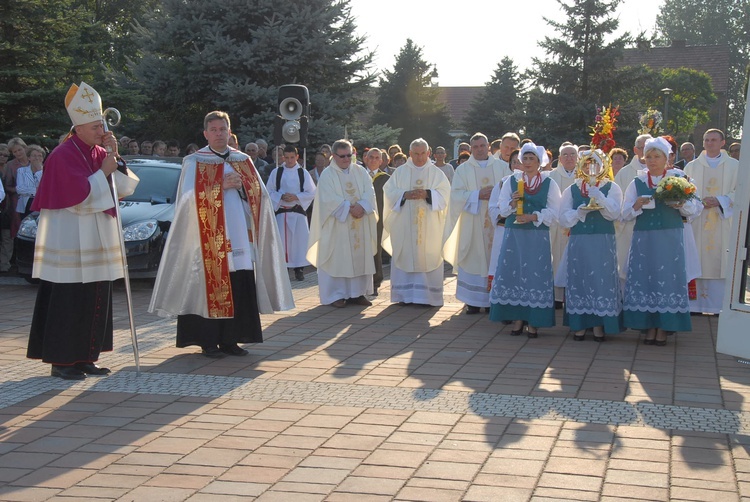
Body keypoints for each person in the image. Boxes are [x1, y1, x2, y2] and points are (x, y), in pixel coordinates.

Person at [150, 110, 294, 357]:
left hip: (238, 234)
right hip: (207, 242)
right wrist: (218, 185)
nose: (218, 134)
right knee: (209, 285)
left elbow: (261, 197)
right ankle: (208, 341)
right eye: (214, 130)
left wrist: (246, 189)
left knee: (238, 282)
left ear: (230, 131)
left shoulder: (242, 160)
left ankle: (232, 339)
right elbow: (185, 200)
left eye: (223, 129)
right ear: (206, 133)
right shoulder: (194, 161)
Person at [27, 82, 140, 380]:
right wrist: (103, 170)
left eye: (101, 125)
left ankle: (86, 357)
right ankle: (62, 360)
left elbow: (124, 189)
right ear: (77, 128)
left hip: (96, 237)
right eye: (94, 126)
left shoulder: (99, 151)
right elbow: (77, 196)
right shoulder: (63, 155)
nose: (100, 130)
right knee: (70, 298)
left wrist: (114, 156)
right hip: (70, 238)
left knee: (95, 296)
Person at [622, 137, 701, 345]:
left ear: (667, 159)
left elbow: (695, 207)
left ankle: (665, 327)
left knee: (667, 278)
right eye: (648, 156)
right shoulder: (637, 182)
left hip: (670, 237)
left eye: (657, 156)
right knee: (646, 277)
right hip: (644, 237)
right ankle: (648, 325)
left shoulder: (679, 179)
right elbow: (624, 213)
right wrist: (637, 205)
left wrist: (680, 204)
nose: (652, 160)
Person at [489, 143, 561, 338]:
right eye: (525, 158)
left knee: (534, 275)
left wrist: (533, 217)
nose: (528, 162)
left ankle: (534, 320)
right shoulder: (511, 181)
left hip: (536, 235)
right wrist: (512, 202)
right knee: (515, 272)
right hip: (515, 235)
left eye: (532, 159)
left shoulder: (549, 183)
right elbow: (502, 208)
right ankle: (518, 318)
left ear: (539, 162)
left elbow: (555, 213)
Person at [557, 150, 623, 341]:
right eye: (587, 163)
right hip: (580, 240)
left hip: (603, 240)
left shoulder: (612, 187)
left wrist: (600, 198)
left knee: (601, 280)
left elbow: (615, 214)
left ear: (603, 165)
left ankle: (599, 324)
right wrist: (579, 213)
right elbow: (563, 219)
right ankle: (579, 324)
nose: (590, 167)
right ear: (581, 165)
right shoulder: (572, 189)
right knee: (580, 278)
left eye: (594, 163)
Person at [444, 133, 512, 314]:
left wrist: (496, 196)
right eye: (475, 147)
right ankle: (472, 301)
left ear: (488, 146)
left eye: (482, 146)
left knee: (494, 257)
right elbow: (455, 195)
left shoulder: (503, 167)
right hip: (472, 223)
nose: (479, 150)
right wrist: (477, 195)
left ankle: (494, 300)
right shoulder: (463, 170)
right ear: (470, 149)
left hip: (497, 223)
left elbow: (511, 190)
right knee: (474, 256)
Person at [307, 139, 377, 307]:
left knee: (359, 256)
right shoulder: (327, 174)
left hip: (359, 222)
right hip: (337, 225)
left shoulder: (360, 171)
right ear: (333, 156)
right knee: (338, 258)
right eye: (343, 156)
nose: (347, 159)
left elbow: (370, 192)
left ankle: (358, 294)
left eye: (349, 155)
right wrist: (349, 208)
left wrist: (362, 206)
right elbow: (327, 199)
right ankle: (335, 295)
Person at [382, 138, 450, 307]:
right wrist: (404, 195)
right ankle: (404, 295)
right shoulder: (400, 172)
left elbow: (446, 196)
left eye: (422, 153)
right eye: (416, 154)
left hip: (430, 225)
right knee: (405, 252)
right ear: (410, 153)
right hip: (404, 224)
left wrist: (428, 194)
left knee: (428, 253)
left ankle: (427, 297)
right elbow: (388, 192)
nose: (420, 158)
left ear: (428, 153)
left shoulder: (436, 173)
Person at [684, 128, 739, 314]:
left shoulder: (735, 166)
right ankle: (694, 305)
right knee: (696, 258)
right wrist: (698, 202)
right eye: (706, 140)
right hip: (697, 220)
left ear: (723, 142)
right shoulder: (691, 167)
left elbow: (741, 190)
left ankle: (718, 306)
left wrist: (721, 200)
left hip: (723, 221)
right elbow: (683, 191)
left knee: (721, 261)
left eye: (714, 140)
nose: (709, 143)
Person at [267, 145, 316, 282]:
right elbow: (268, 191)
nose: (289, 160)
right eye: (286, 157)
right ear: (283, 157)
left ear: (297, 157)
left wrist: (296, 197)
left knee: (298, 243)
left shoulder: (303, 173)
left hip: (297, 211)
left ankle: (299, 269)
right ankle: (284, 269)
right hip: (282, 212)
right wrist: (280, 196)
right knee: (282, 242)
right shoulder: (276, 172)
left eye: (292, 157)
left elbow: (312, 192)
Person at [614, 134, 651, 279]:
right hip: (630, 227)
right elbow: (618, 204)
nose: (646, 151)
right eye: (642, 148)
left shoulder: (665, 172)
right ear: (635, 150)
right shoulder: (624, 173)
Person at [549, 143, 579, 305]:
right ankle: (557, 296)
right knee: (557, 257)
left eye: (572, 154)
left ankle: (575, 293)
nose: (569, 158)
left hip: (578, 223)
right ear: (559, 159)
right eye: (565, 155)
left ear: (578, 158)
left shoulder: (584, 175)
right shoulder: (551, 176)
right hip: (557, 227)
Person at [487, 148, 521, 286]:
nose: (517, 165)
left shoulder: (537, 182)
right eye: (514, 162)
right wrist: (508, 207)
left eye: (520, 161)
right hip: (505, 229)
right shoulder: (503, 182)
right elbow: (493, 207)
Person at [363, 147, 389, 295]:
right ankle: (360, 281)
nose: (373, 160)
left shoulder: (385, 178)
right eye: (370, 157)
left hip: (378, 219)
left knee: (376, 250)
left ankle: (375, 281)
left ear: (381, 161)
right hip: (361, 217)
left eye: (376, 158)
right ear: (366, 158)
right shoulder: (359, 175)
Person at [15, 144, 45, 219]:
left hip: (42, 204)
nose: (37, 158)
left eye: (40, 156)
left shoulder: (46, 171)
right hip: (26, 204)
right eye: (34, 156)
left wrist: (39, 171)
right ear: (29, 158)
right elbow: (20, 189)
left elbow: (46, 188)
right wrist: (37, 190)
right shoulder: (21, 171)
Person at [0, 143, 11, 272]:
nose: (3, 157)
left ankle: (5, 265)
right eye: (0, 154)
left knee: (7, 236)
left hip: (8, 207)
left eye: (6, 155)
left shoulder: (11, 167)